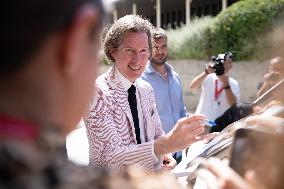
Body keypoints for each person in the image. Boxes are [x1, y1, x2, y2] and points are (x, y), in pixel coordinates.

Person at [84, 14, 207, 172]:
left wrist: (166, 158)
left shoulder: (146, 89)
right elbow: (108, 157)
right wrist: (164, 146)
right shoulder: (98, 92)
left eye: (143, 51)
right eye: (130, 50)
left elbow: (157, 134)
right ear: (113, 51)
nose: (137, 60)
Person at [141, 27, 187, 162]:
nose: (160, 51)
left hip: (179, 151)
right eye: (155, 47)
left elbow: (181, 111)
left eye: (163, 46)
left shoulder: (176, 77)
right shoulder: (141, 80)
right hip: (157, 154)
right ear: (149, 49)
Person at [189, 53, 240, 127]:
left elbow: (233, 104)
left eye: (228, 63)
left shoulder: (233, 83)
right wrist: (206, 72)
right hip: (203, 123)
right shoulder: (208, 77)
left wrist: (226, 84)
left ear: (231, 65)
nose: (226, 66)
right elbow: (192, 87)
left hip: (219, 126)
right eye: (223, 63)